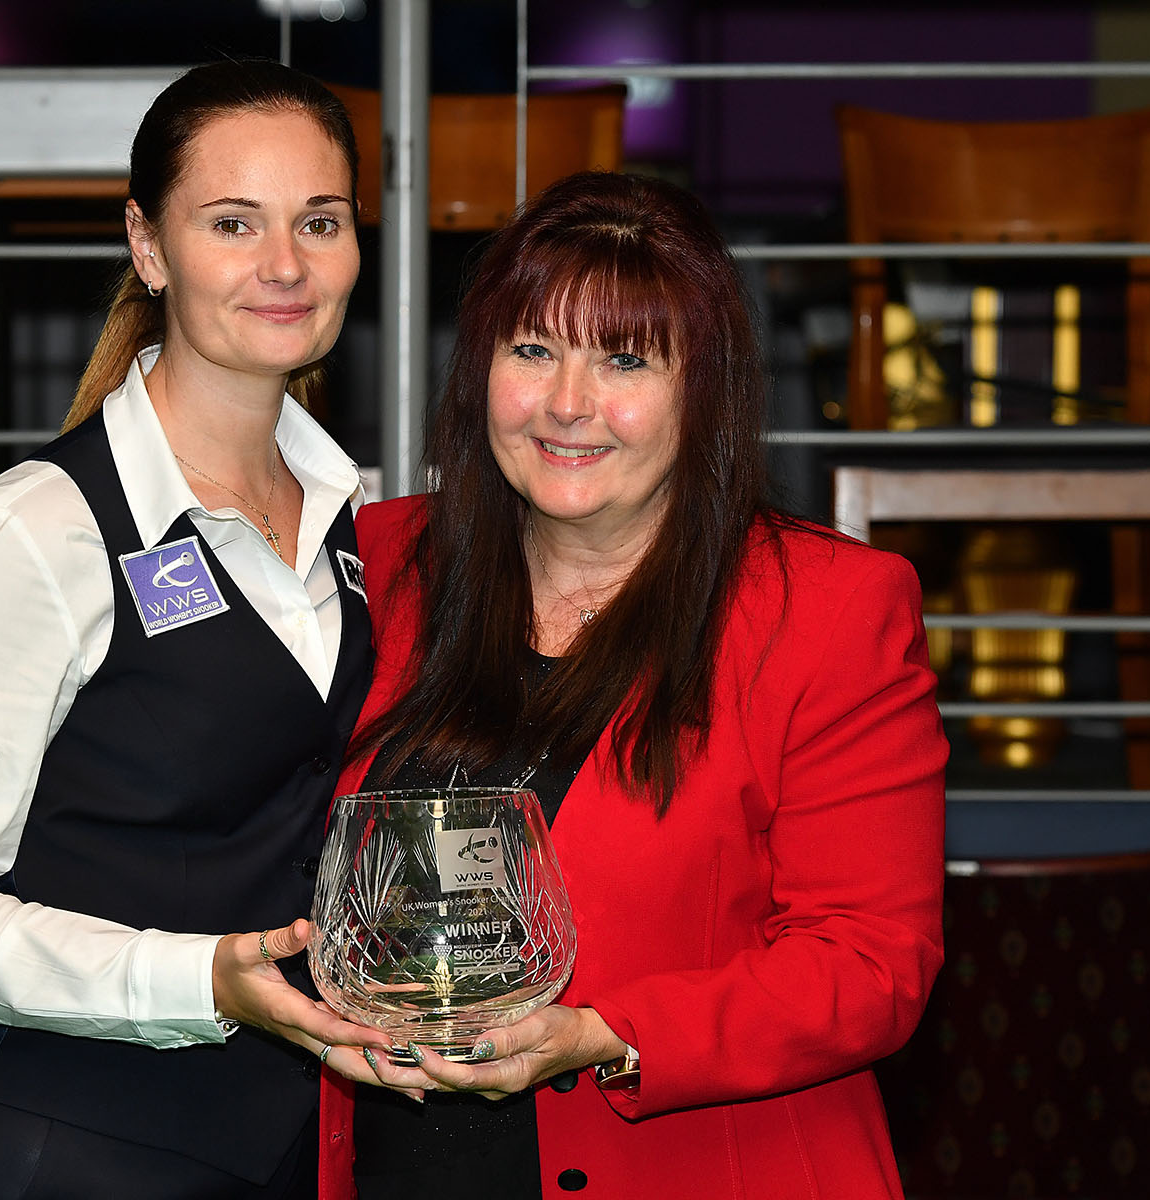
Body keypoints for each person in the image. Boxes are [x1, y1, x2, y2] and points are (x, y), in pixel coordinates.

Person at [313, 171, 949, 1198]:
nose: (568, 403)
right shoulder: (378, 563)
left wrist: (606, 1035)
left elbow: (871, 962)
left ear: (704, 390)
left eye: (624, 359)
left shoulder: (829, 609)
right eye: (533, 350)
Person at [0, 60, 393, 1199]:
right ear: (149, 246)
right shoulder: (26, 535)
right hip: (64, 1147)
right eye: (233, 223)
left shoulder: (357, 520)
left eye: (320, 221)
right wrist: (194, 980)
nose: (286, 264)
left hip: (286, 1145)